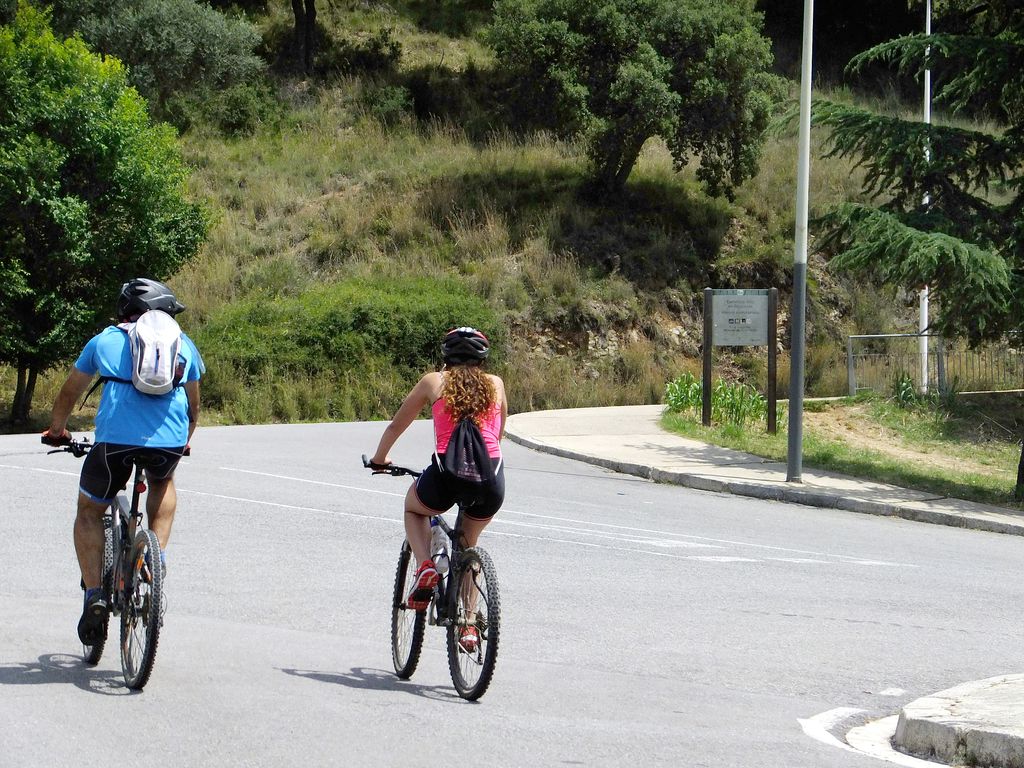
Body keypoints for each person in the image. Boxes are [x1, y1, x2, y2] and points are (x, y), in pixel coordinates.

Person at [41, 278, 203, 645]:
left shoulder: (106, 340)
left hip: (114, 441)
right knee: (162, 482)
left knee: (88, 511)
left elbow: (71, 389)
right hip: (169, 442)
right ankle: (152, 560)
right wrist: (183, 441)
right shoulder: (185, 344)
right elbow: (194, 406)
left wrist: (57, 430)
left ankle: (95, 593)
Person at [369, 327, 507, 651]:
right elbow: (499, 434)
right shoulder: (496, 385)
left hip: (448, 476)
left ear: (446, 357)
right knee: (469, 544)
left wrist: (379, 458)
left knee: (413, 508)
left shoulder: (434, 382)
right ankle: (469, 626)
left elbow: (395, 425)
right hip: (491, 479)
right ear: (482, 360)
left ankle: (425, 566)